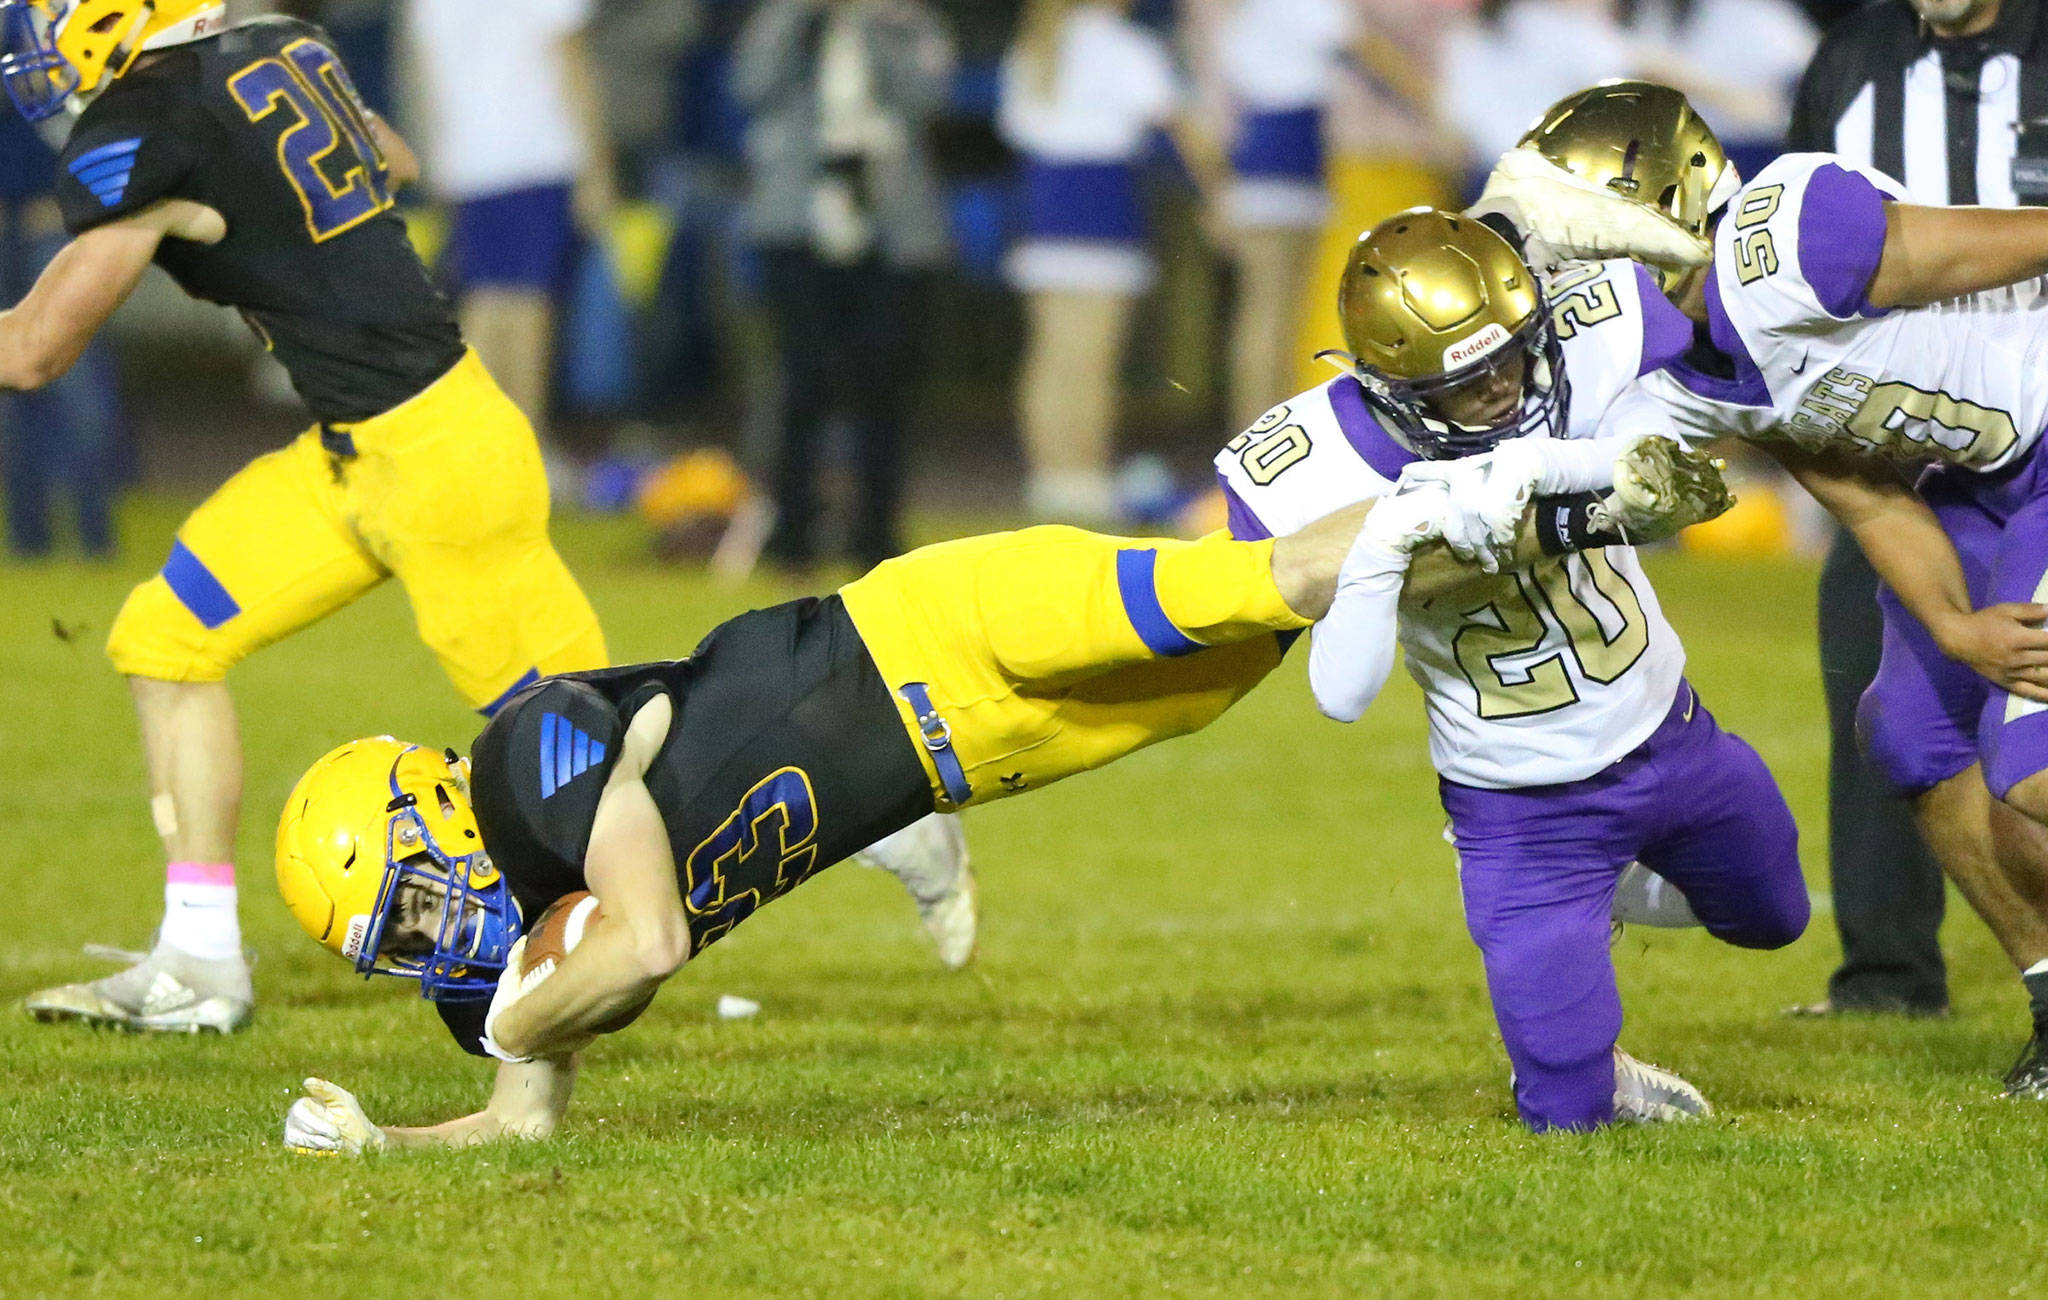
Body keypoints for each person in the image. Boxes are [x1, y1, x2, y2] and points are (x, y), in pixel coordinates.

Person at [272, 439, 1733, 1152]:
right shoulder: (512, 949)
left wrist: (526, 1009)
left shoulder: (529, 765)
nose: (423, 940)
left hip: (932, 630)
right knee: (1264, 652)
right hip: (966, 752)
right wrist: (385, 1142)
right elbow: (518, 1127)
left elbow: (646, 943)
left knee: (1259, 581)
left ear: (437, 810)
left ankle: (1558, 485)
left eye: (406, 896)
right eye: (386, 940)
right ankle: (1464, 517)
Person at [1484, 79, 2048, 1094]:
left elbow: (2026, 236)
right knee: (1911, 736)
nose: (1562, 260)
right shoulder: (1685, 372)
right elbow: (1870, 498)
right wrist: (1954, 629)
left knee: (2027, 769)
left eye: (1573, 228)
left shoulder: (1783, 238)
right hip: (1972, 485)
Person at [1216, 208, 1803, 1131]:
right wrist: (1389, 546)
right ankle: (1590, 1013)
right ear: (1390, 384)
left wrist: (1669, 243)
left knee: (1777, 915)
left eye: (1510, 356)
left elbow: (1717, 325)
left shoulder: (1576, 338)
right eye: (1466, 378)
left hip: (1671, 734)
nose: (1501, 387)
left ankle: (1609, 884)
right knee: (1566, 1114)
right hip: (1518, 808)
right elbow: (1336, 685)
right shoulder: (1307, 468)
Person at [1780, 0, 2048, 1019]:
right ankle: (1896, 977)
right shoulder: (1849, 60)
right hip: (1917, 455)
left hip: (2037, 431)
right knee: (1898, 724)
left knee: (2026, 758)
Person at [732, 0, 955, 569]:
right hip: (798, 218)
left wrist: (872, 27)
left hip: (890, 223)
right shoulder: (785, 16)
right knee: (801, 377)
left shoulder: (908, 19)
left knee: (881, 380)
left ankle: (875, 533)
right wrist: (804, 17)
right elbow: (751, 86)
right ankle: (792, 532)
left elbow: (927, 97)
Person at [998, 0, 1219, 524]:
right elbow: (1181, 127)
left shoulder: (1031, 47)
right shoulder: (1126, 47)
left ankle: (1052, 478)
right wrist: (1216, 191)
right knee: (1092, 359)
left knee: (1051, 356)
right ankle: (1086, 480)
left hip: (1044, 209)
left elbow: (1016, 129)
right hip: (1102, 210)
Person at [405, 0, 615, 470]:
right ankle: (521, 449)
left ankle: (481, 448)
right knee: (527, 309)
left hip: (469, 158)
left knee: (485, 304)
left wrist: (438, 152)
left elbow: (422, 69)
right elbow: (570, 58)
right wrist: (598, 163)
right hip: (535, 152)